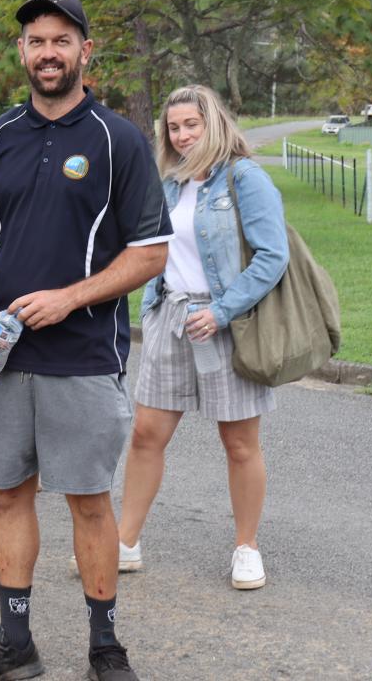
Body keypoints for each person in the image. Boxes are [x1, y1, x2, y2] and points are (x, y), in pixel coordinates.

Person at [0, 0, 171, 681]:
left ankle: (105, 645)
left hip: (82, 355)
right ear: (22, 51)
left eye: (61, 40)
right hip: (4, 352)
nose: (48, 52)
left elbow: (151, 252)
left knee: (87, 499)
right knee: (9, 493)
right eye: (36, 41)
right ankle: (15, 641)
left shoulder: (118, 140)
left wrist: (71, 298)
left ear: (85, 51)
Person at [117, 84, 288, 591]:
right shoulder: (168, 183)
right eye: (174, 127)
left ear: (213, 123)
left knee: (239, 442)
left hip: (225, 322)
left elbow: (272, 257)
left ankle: (247, 547)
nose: (183, 134)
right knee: (147, 434)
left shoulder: (245, 178)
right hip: (169, 315)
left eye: (192, 124)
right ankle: (125, 541)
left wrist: (221, 310)